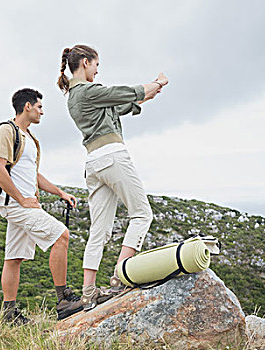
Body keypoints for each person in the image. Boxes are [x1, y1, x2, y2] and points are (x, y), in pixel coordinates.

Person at [57, 45, 169, 310]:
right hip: (112, 157)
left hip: (93, 163)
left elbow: (116, 106)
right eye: (96, 65)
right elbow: (119, 93)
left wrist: (144, 97)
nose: (97, 70)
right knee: (142, 214)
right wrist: (155, 83)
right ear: (85, 63)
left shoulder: (74, 96)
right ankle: (120, 278)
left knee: (99, 229)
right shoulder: (87, 91)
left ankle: (88, 294)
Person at [0, 88, 83, 323]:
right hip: (17, 205)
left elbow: (34, 175)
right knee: (61, 235)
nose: (42, 111)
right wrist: (21, 199)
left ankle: (9, 314)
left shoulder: (29, 138)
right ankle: (63, 300)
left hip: (23, 205)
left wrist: (60, 192)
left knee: (14, 257)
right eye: (39, 106)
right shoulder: (6, 131)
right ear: (27, 106)